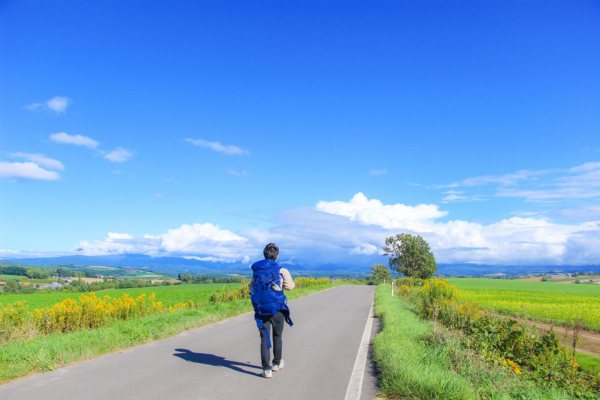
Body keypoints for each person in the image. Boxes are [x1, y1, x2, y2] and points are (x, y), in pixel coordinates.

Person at [249, 243, 295, 379]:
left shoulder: (257, 270)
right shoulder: (282, 270)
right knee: (277, 337)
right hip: (278, 308)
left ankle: (266, 369)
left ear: (264, 255)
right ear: (277, 256)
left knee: (264, 339)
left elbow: (251, 288)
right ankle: (276, 363)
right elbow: (290, 287)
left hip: (262, 309)